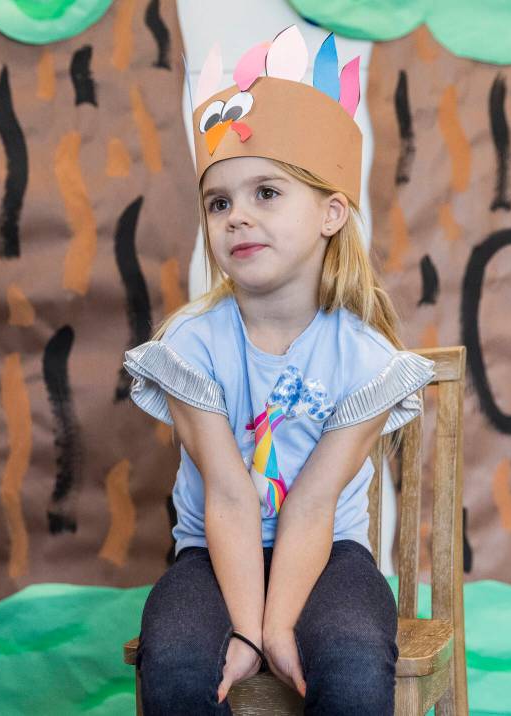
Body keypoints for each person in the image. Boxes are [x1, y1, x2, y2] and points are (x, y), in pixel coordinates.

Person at [123, 26, 434, 715]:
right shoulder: (190, 347)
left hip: (331, 555)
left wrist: (278, 623)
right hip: (210, 553)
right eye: (220, 202)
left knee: (352, 662)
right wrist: (248, 628)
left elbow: (314, 504)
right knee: (171, 662)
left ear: (331, 212)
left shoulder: (364, 359)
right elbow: (229, 498)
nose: (238, 218)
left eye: (267, 193)